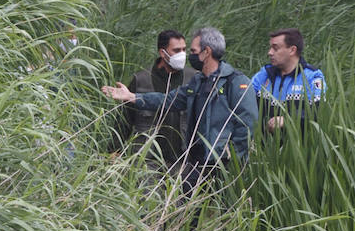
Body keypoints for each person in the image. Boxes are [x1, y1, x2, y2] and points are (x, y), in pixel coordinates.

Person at [102, 26, 258, 191]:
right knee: (181, 210)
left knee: (212, 211)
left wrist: (231, 158)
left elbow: (247, 125)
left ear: (207, 52)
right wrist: (132, 97)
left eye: (191, 50)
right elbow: (168, 100)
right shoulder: (197, 82)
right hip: (188, 163)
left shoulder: (234, 82)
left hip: (215, 165)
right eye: (181, 50)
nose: (187, 55)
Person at [119, 29, 198, 171]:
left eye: (184, 49)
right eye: (176, 50)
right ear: (163, 53)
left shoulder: (193, 79)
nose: (182, 54)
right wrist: (113, 151)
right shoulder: (141, 79)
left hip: (183, 162)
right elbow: (124, 120)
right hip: (147, 162)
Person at [250, 27, 326, 133]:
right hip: (262, 144)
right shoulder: (264, 74)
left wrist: (288, 120)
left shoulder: (312, 77)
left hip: (297, 145)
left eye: (275, 48)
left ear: (292, 50)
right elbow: (243, 101)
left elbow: (318, 111)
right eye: (270, 48)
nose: (270, 52)